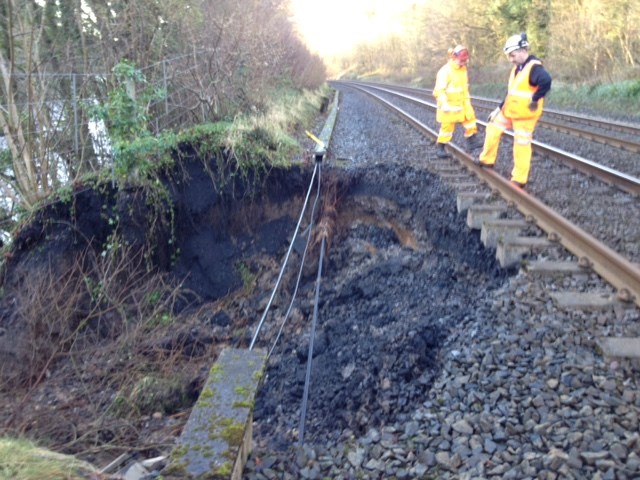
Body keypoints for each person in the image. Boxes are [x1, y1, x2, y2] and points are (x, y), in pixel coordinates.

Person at [476, 33, 552, 188]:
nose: (511, 59)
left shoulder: (534, 68)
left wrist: (535, 98)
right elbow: (512, 93)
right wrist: (498, 108)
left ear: (523, 50)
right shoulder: (518, 68)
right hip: (510, 110)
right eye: (509, 56)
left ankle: (519, 179)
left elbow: (546, 81)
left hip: (525, 115)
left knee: (521, 144)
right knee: (492, 126)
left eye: (513, 55)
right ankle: (487, 159)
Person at [433, 45, 483, 158]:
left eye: (465, 61)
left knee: (470, 120)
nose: (463, 63)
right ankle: (440, 147)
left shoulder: (462, 69)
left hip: (462, 103)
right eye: (461, 60)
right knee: (447, 128)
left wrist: (467, 102)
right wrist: (444, 104)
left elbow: (464, 87)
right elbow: (439, 90)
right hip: (449, 106)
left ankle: (471, 141)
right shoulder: (445, 71)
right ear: (454, 57)